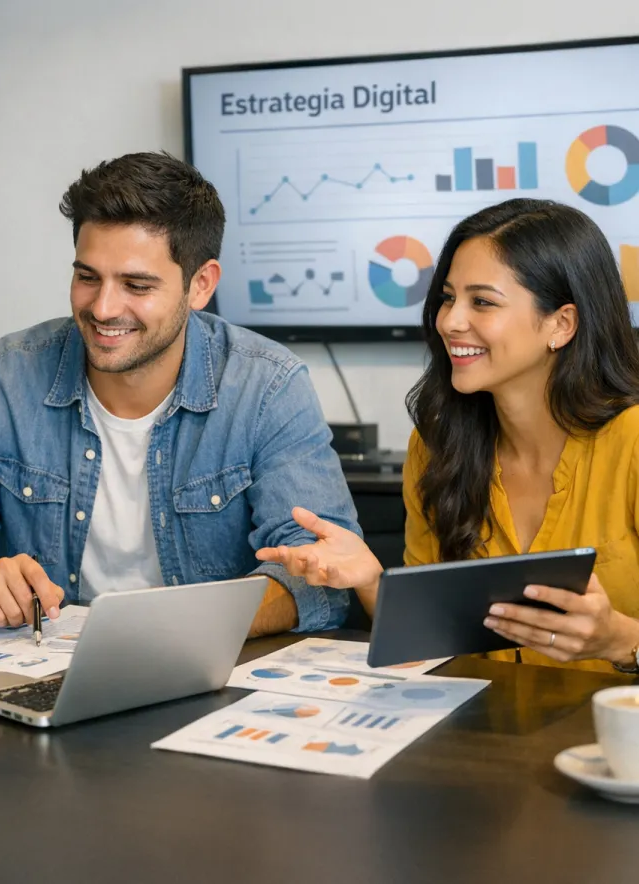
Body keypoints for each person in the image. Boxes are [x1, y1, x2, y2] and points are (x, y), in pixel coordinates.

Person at [0, 151, 358, 637]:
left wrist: (177, 629)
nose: (103, 307)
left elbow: (321, 571)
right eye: (87, 277)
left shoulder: (268, 386)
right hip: (40, 665)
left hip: (203, 666)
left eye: (136, 285)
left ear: (201, 285)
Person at [261, 198, 639, 673]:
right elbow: (431, 647)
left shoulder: (632, 442)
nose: (449, 320)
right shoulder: (438, 446)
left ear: (561, 323)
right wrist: (373, 581)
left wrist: (621, 640)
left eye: (482, 301)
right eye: (447, 297)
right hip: (478, 736)